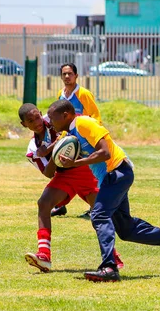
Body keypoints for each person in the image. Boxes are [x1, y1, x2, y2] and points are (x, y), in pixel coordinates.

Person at [47, 99, 160, 282]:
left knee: (99, 215)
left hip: (118, 172)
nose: (50, 121)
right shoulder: (70, 132)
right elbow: (52, 167)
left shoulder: (84, 123)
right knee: (126, 229)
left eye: (52, 117)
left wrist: (75, 163)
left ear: (65, 115)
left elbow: (105, 153)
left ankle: (109, 268)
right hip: (112, 177)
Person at [19, 103, 124, 272]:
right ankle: (44, 255)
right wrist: (55, 154)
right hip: (64, 176)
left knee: (100, 214)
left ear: (40, 113)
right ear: (24, 125)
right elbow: (48, 173)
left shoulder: (55, 118)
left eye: (37, 116)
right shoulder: (33, 149)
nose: (37, 122)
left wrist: (54, 146)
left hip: (84, 170)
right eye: (30, 121)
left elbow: (75, 121)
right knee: (44, 203)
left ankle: (112, 256)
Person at [57, 62, 101, 218]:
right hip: (69, 142)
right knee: (64, 170)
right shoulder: (61, 94)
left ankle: (96, 208)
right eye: (64, 74)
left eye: (70, 73)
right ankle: (59, 204)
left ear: (76, 75)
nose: (67, 76)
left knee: (90, 175)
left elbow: (96, 116)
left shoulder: (83, 94)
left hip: (84, 142)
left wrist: (92, 139)